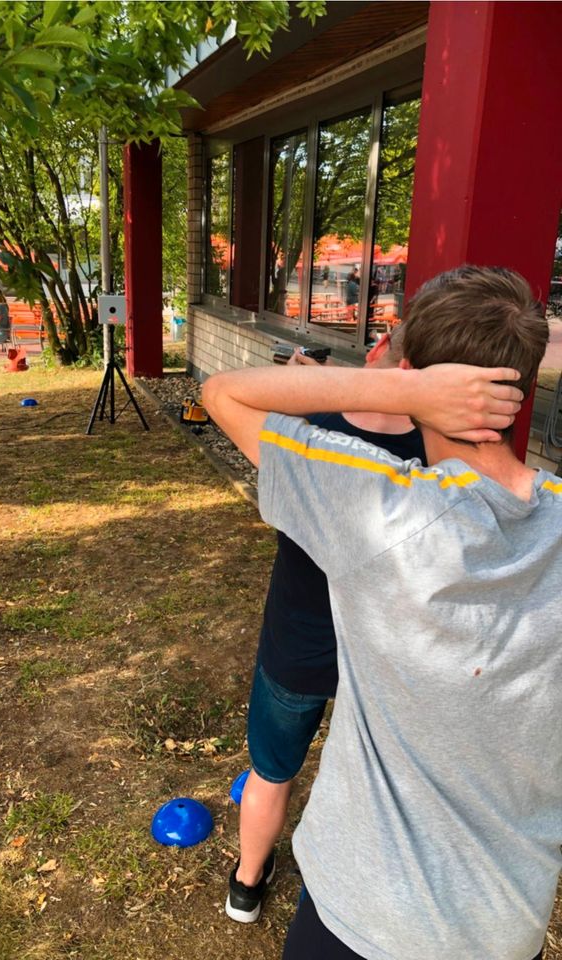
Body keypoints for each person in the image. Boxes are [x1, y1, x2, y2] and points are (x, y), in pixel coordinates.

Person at [202, 265, 560, 960]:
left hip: (363, 922)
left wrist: (401, 386)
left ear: (417, 371)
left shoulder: (384, 510)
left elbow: (223, 393)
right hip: (507, 927)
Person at [226, 327, 426, 925]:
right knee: (375, 786)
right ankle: (356, 892)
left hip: (299, 647)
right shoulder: (438, 452)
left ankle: (246, 883)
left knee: (271, 769)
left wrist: (303, 383)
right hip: (384, 655)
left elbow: (227, 395)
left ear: (378, 348)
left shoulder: (304, 427)